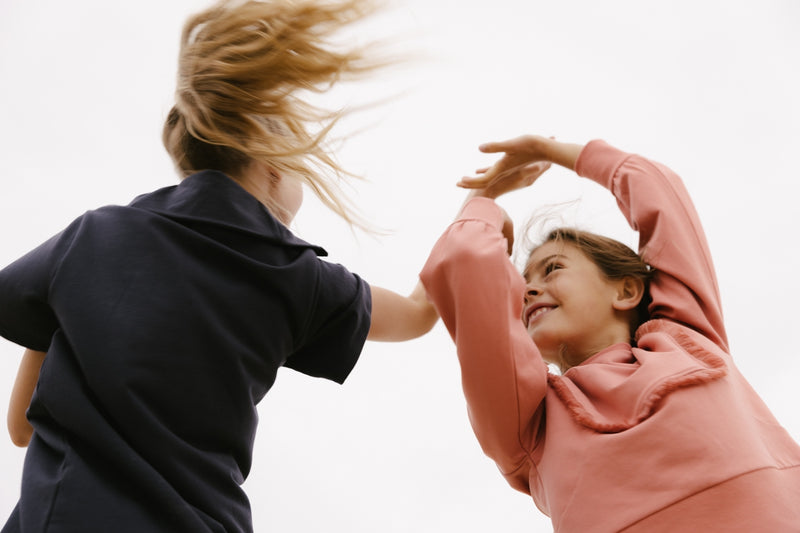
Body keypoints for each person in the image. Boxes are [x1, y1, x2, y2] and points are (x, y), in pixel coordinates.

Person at [0, 1, 437, 532]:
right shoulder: (298, 277)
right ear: (273, 160)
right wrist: (477, 218)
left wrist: (64, 308)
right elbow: (417, 313)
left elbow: (22, 426)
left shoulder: (94, 236)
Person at [419, 134, 800, 532]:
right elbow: (465, 259)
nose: (528, 289)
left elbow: (659, 191)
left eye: (553, 269)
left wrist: (549, 151)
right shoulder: (529, 422)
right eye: (520, 283)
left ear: (625, 290)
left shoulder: (689, 335)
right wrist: (486, 201)